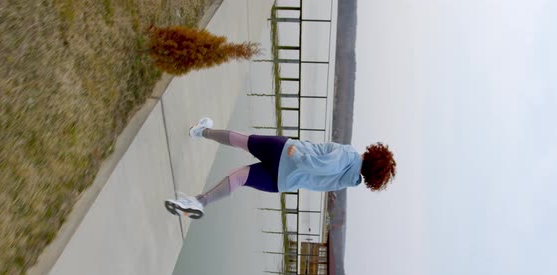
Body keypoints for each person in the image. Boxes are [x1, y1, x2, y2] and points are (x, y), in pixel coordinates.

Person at [164, 117, 397, 219]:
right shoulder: (347, 181)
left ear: (374, 153)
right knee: (240, 178)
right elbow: (319, 178)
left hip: (286, 153)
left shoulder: (349, 155)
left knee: (242, 140)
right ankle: (198, 203)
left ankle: (200, 131)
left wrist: (298, 157)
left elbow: (322, 166)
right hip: (283, 182)